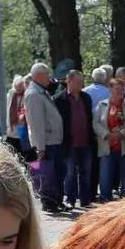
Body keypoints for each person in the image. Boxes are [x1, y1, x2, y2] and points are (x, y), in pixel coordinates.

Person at [24, 62, 65, 212]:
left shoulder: (41, 91)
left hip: (52, 140)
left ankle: (56, 201)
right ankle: (49, 203)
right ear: (39, 75)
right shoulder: (34, 94)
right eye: (47, 74)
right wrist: (40, 147)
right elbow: (37, 123)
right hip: (46, 142)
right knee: (47, 174)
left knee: (55, 173)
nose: (49, 77)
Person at [54, 69, 94, 209]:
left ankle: (85, 200)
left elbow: (90, 118)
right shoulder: (59, 99)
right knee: (70, 173)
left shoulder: (86, 98)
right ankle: (70, 199)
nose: (81, 84)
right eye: (78, 82)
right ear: (68, 81)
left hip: (85, 141)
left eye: (82, 82)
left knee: (85, 172)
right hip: (69, 143)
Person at [95, 76, 125, 200]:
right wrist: (106, 134)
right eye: (116, 89)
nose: (119, 92)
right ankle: (105, 200)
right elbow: (95, 123)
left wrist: (121, 133)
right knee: (105, 177)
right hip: (107, 147)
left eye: (122, 90)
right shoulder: (101, 105)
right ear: (110, 90)